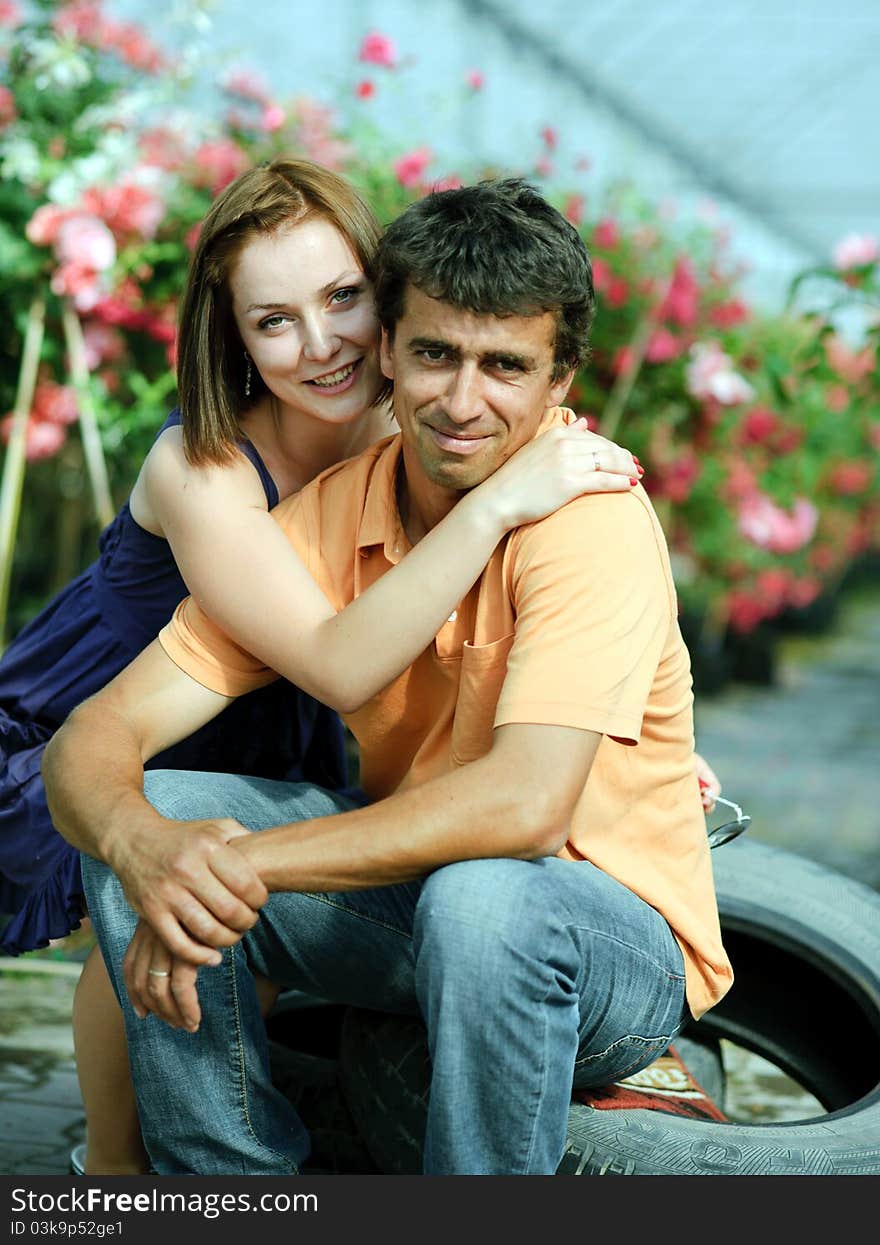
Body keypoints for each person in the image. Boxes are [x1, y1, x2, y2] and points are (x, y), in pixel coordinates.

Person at [44, 176, 733, 1176]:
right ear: (389, 352)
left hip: (603, 944)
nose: (462, 401)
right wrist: (147, 843)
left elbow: (526, 809)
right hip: (422, 908)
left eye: (504, 366)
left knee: (482, 897)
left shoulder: (590, 516)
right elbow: (89, 742)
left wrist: (232, 865)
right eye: (433, 354)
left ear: (559, 378)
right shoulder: (332, 511)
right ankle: (224, 1188)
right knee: (148, 815)